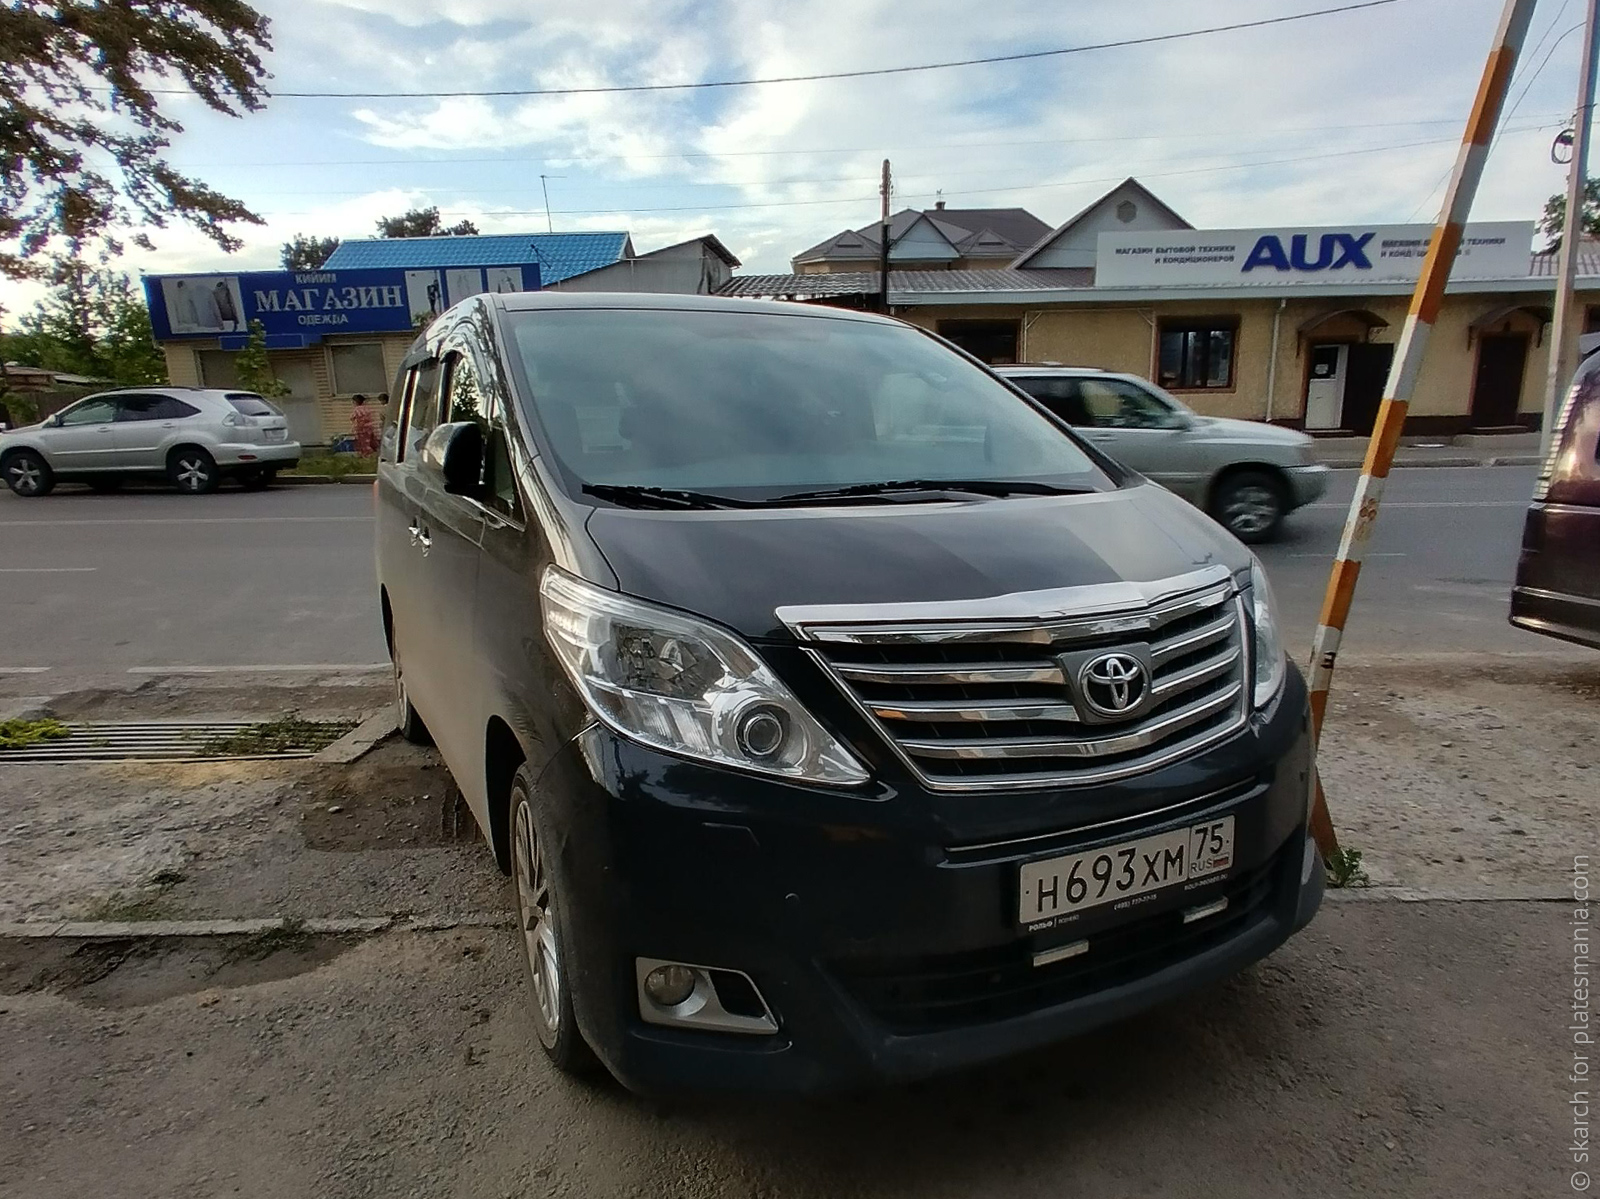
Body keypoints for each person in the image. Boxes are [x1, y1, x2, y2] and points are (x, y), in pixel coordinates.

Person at [350, 393, 380, 457]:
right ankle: (373, 452)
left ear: (355, 402)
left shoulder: (356, 409)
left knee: (363, 442)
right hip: (370, 427)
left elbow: (352, 418)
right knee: (370, 441)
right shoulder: (367, 408)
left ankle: (366, 454)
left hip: (361, 428)